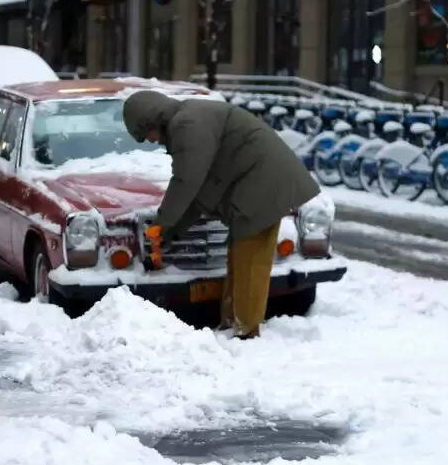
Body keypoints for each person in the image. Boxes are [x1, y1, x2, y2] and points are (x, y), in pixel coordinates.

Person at [123, 90, 320, 340]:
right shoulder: (187, 121)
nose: (150, 141)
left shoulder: (187, 124)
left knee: (250, 259)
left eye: (145, 135)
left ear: (151, 120)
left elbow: (186, 182)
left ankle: (247, 332)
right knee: (239, 256)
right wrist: (169, 233)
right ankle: (231, 324)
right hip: (255, 183)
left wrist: (161, 224)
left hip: (264, 182)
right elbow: (198, 194)